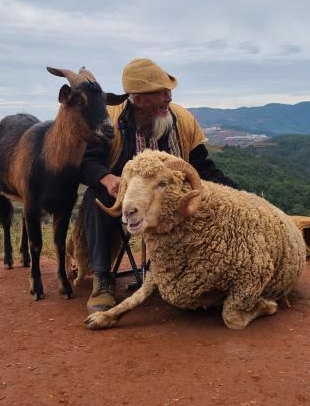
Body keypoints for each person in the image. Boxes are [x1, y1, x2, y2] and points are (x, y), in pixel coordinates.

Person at [79, 58, 239, 313]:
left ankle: (201, 274)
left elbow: (203, 168)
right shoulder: (109, 122)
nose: (169, 97)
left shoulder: (182, 120)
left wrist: (240, 195)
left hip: (170, 200)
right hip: (127, 197)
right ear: (139, 99)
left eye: (169, 91)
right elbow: (87, 162)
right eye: (162, 92)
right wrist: (108, 179)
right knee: (95, 197)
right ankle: (102, 278)